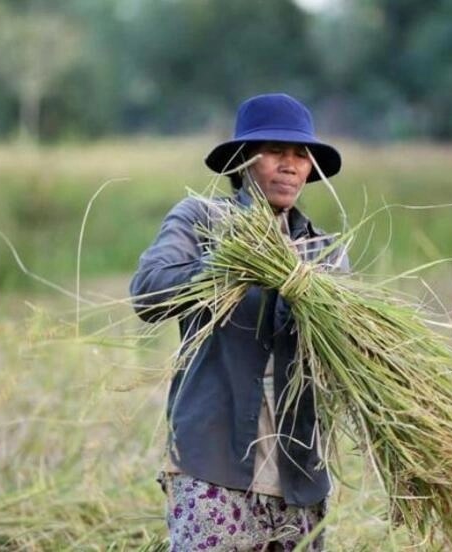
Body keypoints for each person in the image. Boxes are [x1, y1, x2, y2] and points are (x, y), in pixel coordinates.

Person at [130, 93, 345, 550]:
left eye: (300, 155)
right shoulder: (202, 221)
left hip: (299, 474)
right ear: (244, 160)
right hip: (213, 466)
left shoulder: (323, 251)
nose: (290, 166)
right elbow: (148, 292)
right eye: (275, 152)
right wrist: (227, 265)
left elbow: (346, 349)